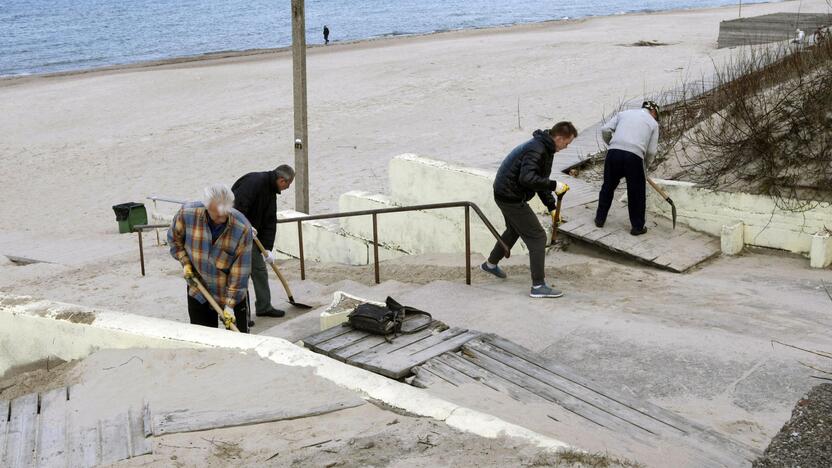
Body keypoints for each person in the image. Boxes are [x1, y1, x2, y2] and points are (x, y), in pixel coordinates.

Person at [481, 122, 577, 298]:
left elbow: (539, 181)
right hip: (510, 196)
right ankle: (538, 286)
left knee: (514, 230)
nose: (566, 147)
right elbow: (527, 179)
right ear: (559, 138)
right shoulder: (537, 149)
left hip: (506, 192)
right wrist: (554, 185)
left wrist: (552, 207)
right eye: (567, 143)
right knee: (538, 237)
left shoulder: (546, 148)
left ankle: (490, 264)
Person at [169, 184, 253, 333]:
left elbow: (240, 273)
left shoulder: (242, 228)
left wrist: (230, 305)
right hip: (199, 288)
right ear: (207, 207)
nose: (222, 218)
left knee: (240, 342)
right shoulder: (187, 214)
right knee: (203, 338)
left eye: (225, 212)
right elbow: (175, 240)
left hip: (230, 291)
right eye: (217, 214)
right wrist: (185, 263)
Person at [232, 165, 294, 318]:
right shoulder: (255, 181)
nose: (288, 187)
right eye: (288, 184)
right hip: (235, 234)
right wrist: (245, 225)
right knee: (241, 275)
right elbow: (237, 207)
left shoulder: (270, 191)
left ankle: (264, 306)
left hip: (252, 237)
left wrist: (267, 249)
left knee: (259, 270)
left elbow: (270, 221)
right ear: (281, 180)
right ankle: (242, 316)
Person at [594, 101, 660, 236]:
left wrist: (612, 144)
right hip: (635, 156)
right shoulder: (653, 123)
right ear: (654, 112)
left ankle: (600, 219)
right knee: (636, 192)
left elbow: (605, 129)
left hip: (613, 153)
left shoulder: (624, 113)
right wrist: (645, 166)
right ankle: (637, 227)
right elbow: (652, 151)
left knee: (608, 186)